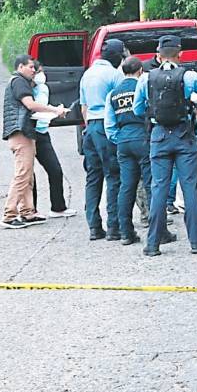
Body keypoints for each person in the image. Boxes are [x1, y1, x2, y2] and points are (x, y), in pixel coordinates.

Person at [133, 35, 197, 257]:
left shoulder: (146, 79)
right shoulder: (190, 76)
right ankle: (196, 241)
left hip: (159, 137)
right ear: (180, 54)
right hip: (184, 137)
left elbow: (137, 110)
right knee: (189, 188)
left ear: (158, 55)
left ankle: (152, 244)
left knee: (159, 189)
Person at [1, 54, 67, 229]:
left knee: (28, 175)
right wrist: (54, 110)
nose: (34, 70)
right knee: (22, 175)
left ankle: (28, 212)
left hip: (25, 132)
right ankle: (9, 214)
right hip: (20, 132)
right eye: (31, 67)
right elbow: (30, 105)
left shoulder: (20, 81)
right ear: (20, 67)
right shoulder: (19, 81)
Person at [79, 39, 125, 241]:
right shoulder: (115, 74)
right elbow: (121, 105)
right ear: (117, 57)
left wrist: (89, 128)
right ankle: (114, 227)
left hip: (90, 128)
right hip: (106, 127)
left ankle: (94, 227)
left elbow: (83, 107)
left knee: (93, 177)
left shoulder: (87, 74)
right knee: (113, 176)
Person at [106, 56, 151, 246]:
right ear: (140, 70)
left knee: (126, 186)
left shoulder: (113, 93)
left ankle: (126, 233)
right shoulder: (143, 87)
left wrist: (121, 139)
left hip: (123, 141)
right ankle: (159, 228)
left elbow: (109, 126)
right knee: (151, 184)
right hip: (142, 137)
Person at [30, 59, 76, 218]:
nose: (41, 75)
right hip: (29, 134)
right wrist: (55, 111)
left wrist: (56, 112)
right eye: (38, 72)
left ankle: (58, 207)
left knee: (55, 170)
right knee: (29, 174)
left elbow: (43, 107)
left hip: (42, 132)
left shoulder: (43, 88)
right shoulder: (24, 88)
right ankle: (31, 209)